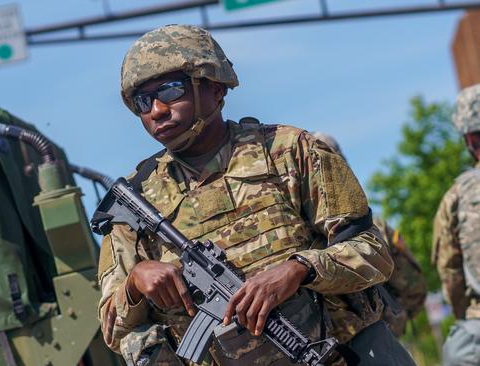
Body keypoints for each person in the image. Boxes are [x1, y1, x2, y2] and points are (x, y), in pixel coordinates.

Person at [97, 24, 415, 365]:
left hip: (343, 354)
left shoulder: (291, 151)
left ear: (215, 86)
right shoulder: (137, 199)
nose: (157, 110)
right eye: (144, 101)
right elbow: (112, 329)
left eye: (172, 91)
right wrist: (134, 284)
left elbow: (374, 254)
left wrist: (299, 270)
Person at [311, 132, 428, 338]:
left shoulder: (296, 240)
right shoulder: (376, 227)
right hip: (380, 339)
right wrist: (395, 318)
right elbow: (413, 287)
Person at [432, 84, 480, 366]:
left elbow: (450, 270)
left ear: (469, 140)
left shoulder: (458, 196)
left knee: (458, 354)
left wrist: (466, 315)